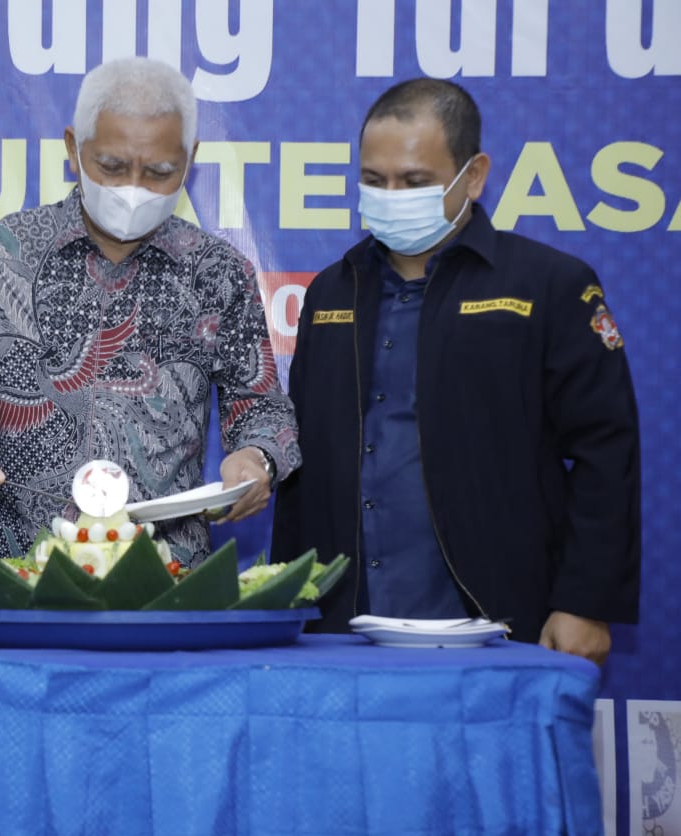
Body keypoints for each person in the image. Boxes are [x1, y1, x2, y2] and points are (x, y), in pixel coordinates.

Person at [271, 78, 639, 666]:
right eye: (374, 180)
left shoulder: (548, 285)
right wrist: (284, 601)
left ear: (473, 176)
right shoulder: (332, 291)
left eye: (414, 181)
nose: (391, 196)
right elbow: (303, 466)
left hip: (497, 620)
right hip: (341, 626)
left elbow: (606, 451)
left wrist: (585, 602)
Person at [0, 56, 298, 567]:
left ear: (190, 160)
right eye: (112, 167)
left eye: (160, 172)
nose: (133, 189)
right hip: (20, 571)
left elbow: (261, 407)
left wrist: (257, 457)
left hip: (165, 575)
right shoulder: (0, 252)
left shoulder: (219, 272)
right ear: (74, 149)